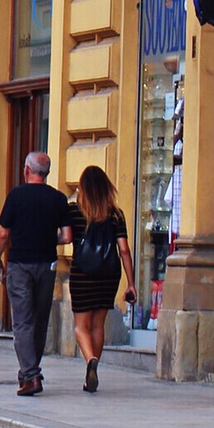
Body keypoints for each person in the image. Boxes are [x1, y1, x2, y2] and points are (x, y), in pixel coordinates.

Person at [0, 150, 72, 397]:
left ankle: (31, 375)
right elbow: (67, 236)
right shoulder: (58, 199)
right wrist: (48, 238)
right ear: (47, 174)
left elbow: (4, 234)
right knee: (39, 320)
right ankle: (28, 372)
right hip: (47, 264)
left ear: (27, 170)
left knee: (22, 321)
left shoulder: (16, 195)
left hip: (20, 264)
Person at [67, 166, 137, 394]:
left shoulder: (74, 211)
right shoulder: (116, 214)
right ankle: (92, 371)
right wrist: (131, 283)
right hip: (109, 273)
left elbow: (66, 236)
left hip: (83, 272)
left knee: (80, 326)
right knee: (97, 325)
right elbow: (124, 250)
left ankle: (90, 361)